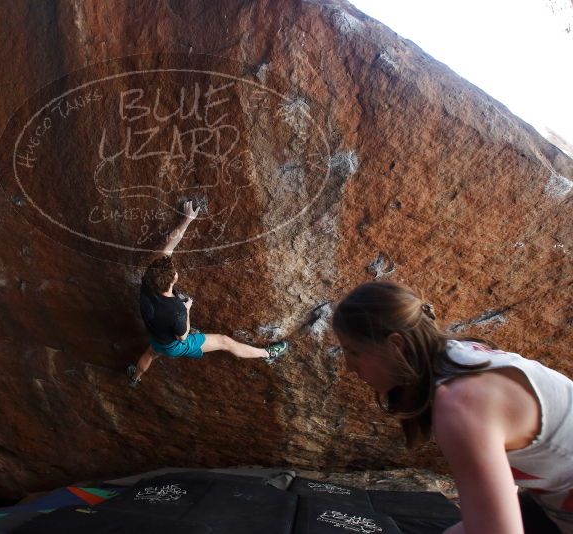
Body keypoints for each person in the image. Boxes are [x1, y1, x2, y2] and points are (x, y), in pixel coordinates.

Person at [332, 281, 573, 534]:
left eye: (353, 352)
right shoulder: (460, 356)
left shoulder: (460, 404)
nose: (349, 366)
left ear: (396, 345)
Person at [127, 200, 289, 387]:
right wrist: (187, 309)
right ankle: (268, 354)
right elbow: (183, 336)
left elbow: (167, 248)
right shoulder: (176, 309)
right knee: (224, 341)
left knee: (150, 354)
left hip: (156, 336)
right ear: (173, 280)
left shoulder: (148, 282)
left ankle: (134, 378)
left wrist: (186, 220)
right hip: (174, 344)